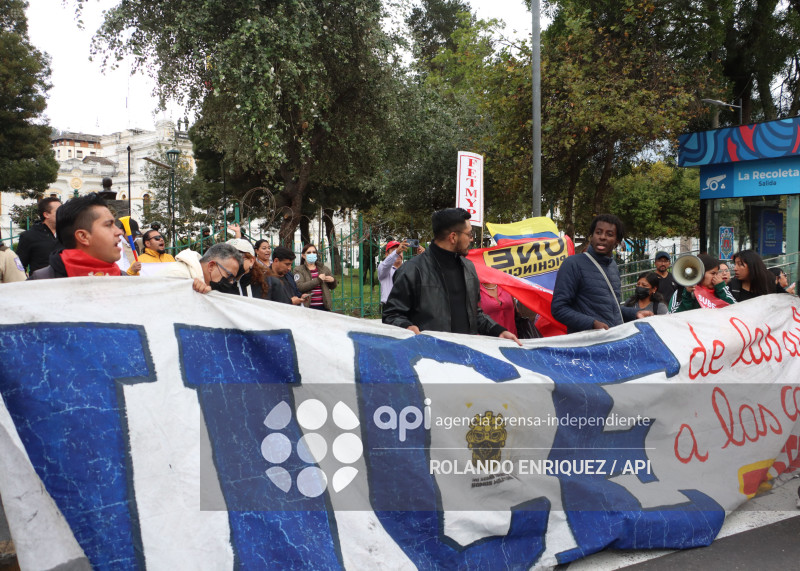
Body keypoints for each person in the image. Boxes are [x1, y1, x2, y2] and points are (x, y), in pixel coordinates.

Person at [382, 207, 520, 344]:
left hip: (467, 357)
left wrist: (498, 331)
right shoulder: (412, 270)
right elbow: (391, 315)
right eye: (469, 234)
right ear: (453, 237)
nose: (471, 239)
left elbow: (474, 313)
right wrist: (407, 327)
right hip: (430, 358)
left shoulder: (468, 268)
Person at [551, 214, 652, 333]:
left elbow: (611, 310)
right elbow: (558, 308)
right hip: (587, 345)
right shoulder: (573, 264)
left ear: (617, 241)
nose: (602, 237)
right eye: (598, 232)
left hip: (611, 341)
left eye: (609, 234)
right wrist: (592, 323)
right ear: (591, 236)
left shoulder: (613, 266)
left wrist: (635, 313)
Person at [29, 193, 124, 279]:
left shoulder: (125, 281)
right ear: (83, 236)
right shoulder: (41, 283)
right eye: (108, 225)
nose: (119, 232)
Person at [158, 242, 242, 294]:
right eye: (229, 276)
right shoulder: (176, 276)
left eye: (233, 279)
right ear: (211, 266)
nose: (230, 282)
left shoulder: (201, 280)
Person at [669, 254, 736, 312]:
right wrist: (688, 295)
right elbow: (673, 316)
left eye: (717, 273)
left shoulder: (721, 290)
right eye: (713, 273)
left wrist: (721, 289)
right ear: (701, 274)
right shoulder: (682, 292)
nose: (716, 277)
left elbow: (736, 308)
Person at [16, 197, 61, 274]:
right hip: (40, 283)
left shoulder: (67, 234)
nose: (62, 213)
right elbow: (19, 266)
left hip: (64, 284)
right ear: (46, 214)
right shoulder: (29, 236)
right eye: (59, 211)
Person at [294, 244, 337, 311]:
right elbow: (300, 287)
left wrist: (333, 281)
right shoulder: (298, 270)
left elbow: (333, 286)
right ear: (303, 255)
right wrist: (318, 280)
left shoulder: (324, 268)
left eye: (314, 252)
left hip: (324, 306)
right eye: (309, 252)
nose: (312, 254)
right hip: (308, 307)